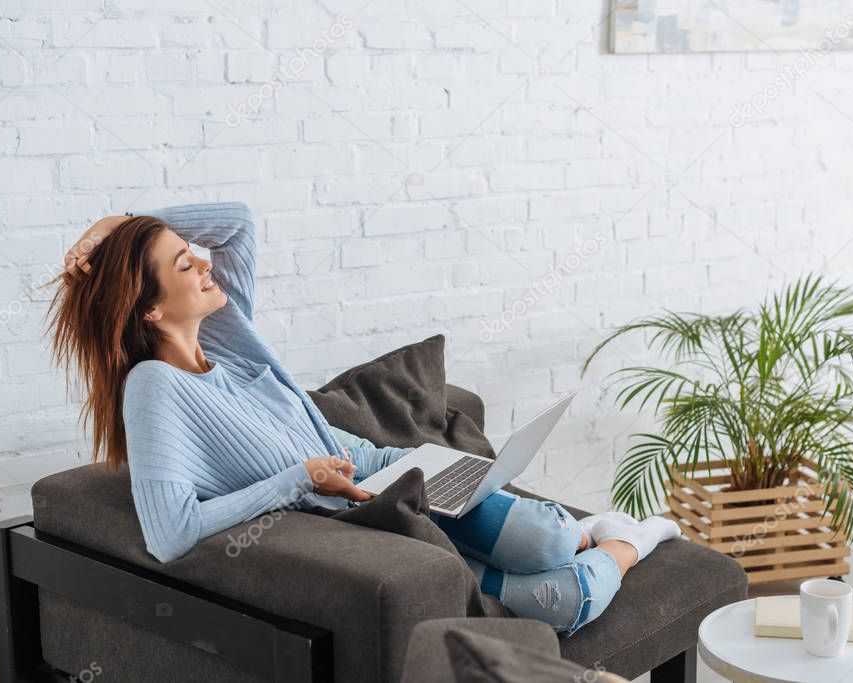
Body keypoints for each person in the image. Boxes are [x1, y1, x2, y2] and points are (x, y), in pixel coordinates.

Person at [46, 202, 679, 636]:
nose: (206, 263)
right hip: (370, 515)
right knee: (559, 601)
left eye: (193, 253)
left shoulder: (227, 343)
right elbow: (169, 532)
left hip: (397, 472)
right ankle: (634, 539)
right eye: (185, 265)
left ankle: (583, 532)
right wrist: (298, 480)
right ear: (150, 312)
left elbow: (236, 224)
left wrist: (119, 224)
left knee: (546, 540)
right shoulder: (154, 387)